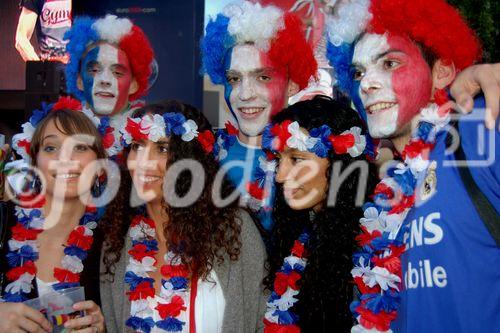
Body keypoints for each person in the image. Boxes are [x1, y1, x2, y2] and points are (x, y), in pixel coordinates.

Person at [325, 0, 499, 332]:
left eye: (389, 63)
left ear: (442, 72)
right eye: (358, 72)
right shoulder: (385, 186)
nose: (366, 84)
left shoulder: (480, 131)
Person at [99, 100, 267, 333]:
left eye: (162, 148)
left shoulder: (233, 230)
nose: (143, 163)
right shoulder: (117, 242)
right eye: (137, 146)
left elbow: (261, 320)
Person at [261, 95, 377, 332]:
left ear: (339, 165)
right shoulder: (300, 232)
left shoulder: (371, 248)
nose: (281, 176)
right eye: (279, 159)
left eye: (296, 159)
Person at [201, 1, 318, 232]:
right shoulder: (205, 157)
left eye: (263, 78)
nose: (245, 94)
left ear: (292, 84)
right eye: (234, 79)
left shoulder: (313, 159)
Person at [0, 100, 107, 333]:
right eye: (51, 148)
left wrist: (105, 328)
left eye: (80, 147)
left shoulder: (113, 245)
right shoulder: (2, 222)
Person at [63, 14, 155, 157]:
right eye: (94, 70)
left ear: (134, 84)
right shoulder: (59, 133)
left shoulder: (154, 137)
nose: (104, 80)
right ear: (79, 80)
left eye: (117, 72)